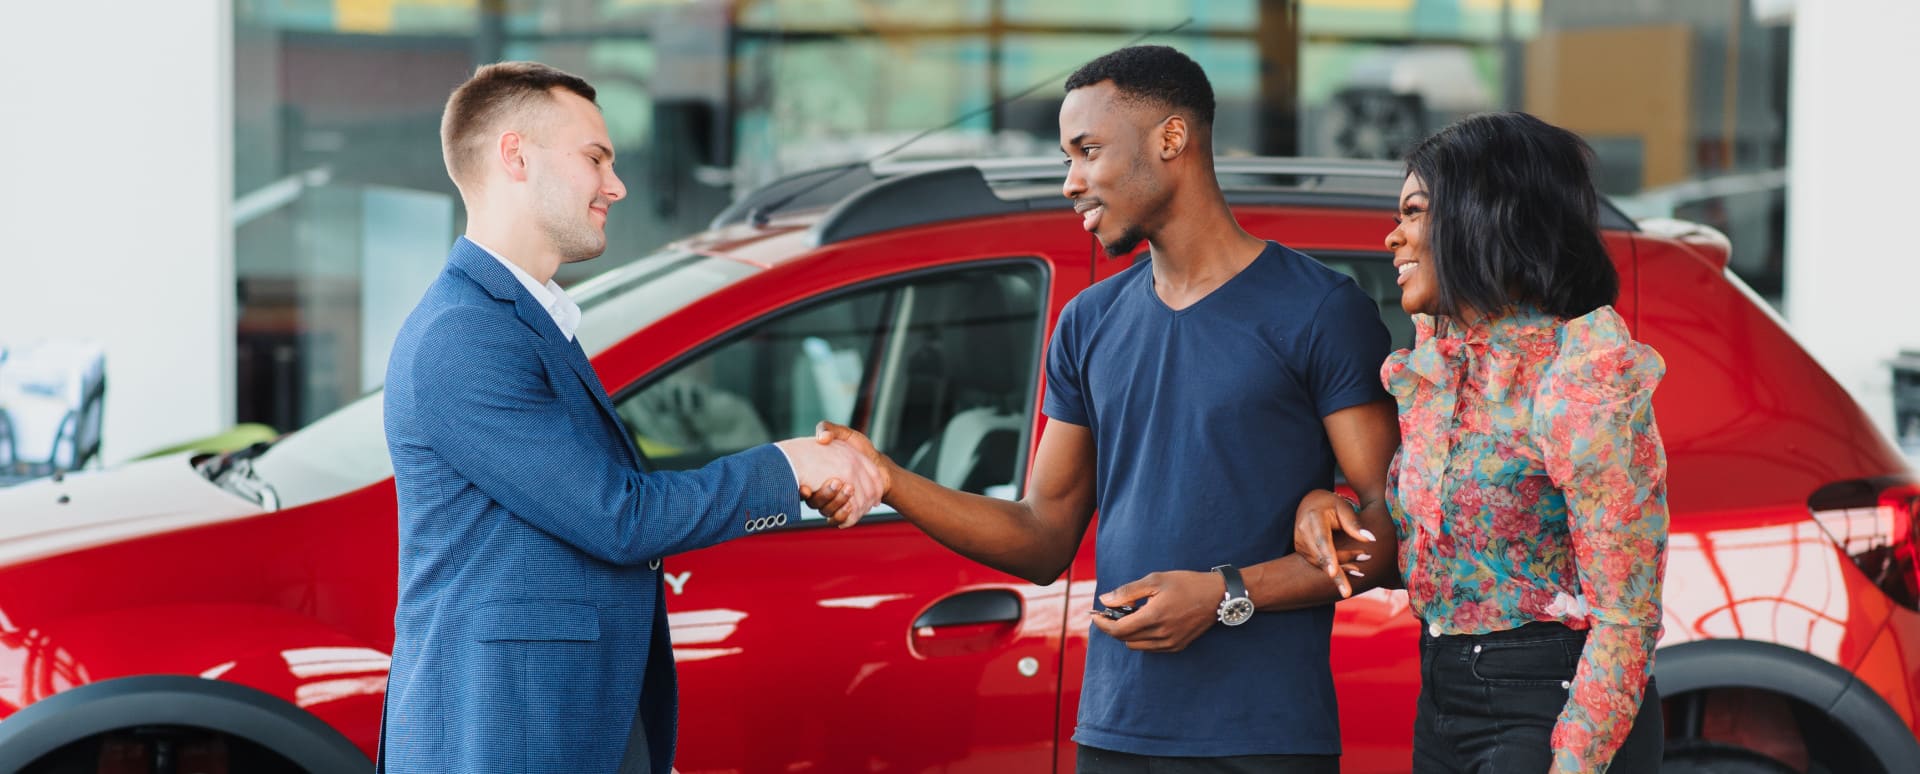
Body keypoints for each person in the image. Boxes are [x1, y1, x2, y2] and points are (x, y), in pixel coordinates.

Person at [807, 45, 1402, 773]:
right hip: (1115, 733)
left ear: (1171, 139)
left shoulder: (1318, 310)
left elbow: (1389, 529)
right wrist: (889, 478)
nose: (1071, 182)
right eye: (1066, 157)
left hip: (1263, 740)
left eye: (1087, 151)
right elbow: (1041, 535)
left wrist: (1225, 596)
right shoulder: (1088, 322)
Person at [378, 62, 883, 774]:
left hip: (554, 720)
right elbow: (616, 516)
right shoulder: (465, 334)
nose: (615, 186)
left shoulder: (520, 320)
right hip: (508, 735)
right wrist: (788, 466)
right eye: (596, 159)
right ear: (515, 156)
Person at [1294, 111, 1668, 773]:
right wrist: (1324, 506)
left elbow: (1626, 619)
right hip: (1441, 695)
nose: (1392, 236)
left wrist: (1574, 762)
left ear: (1483, 215)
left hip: (1548, 704)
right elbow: (1424, 533)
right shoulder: (1440, 363)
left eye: (1413, 212)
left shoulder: (1580, 375)